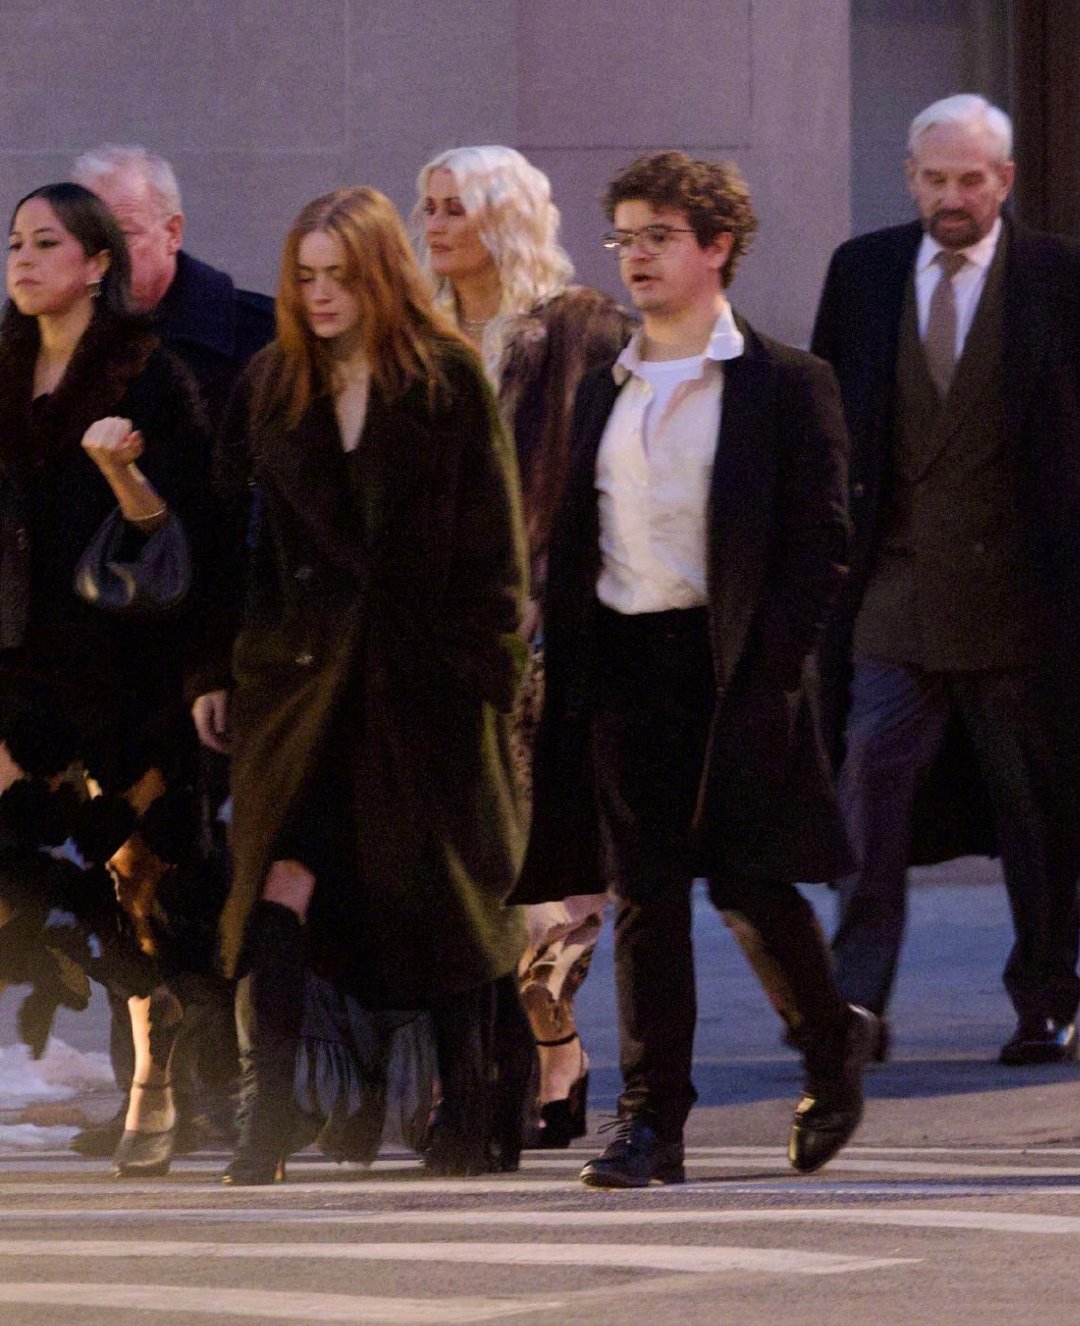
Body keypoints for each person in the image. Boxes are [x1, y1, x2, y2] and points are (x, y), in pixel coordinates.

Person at [518, 150, 876, 1189]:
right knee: (645, 893)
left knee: (752, 884)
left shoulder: (787, 382)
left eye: (659, 237)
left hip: (734, 668)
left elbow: (821, 544)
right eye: (625, 237)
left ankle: (831, 1045)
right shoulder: (606, 385)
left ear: (717, 246)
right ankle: (651, 1121)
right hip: (623, 664)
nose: (635, 256)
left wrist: (776, 673)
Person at [193, 186, 531, 1184]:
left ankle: (470, 1105)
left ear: (381, 275)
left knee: (440, 894)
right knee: (276, 890)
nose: (321, 295)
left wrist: (483, 670)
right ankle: (268, 1119)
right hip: (299, 687)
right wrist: (218, 670)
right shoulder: (272, 383)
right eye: (305, 276)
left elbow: (495, 543)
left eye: (341, 275)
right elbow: (230, 546)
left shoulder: (444, 379)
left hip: (422, 678)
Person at [811, 94, 1080, 1066]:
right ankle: (853, 1003)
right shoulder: (864, 271)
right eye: (935, 178)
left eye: (971, 179)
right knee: (867, 799)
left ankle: (1045, 998)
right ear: (911, 177)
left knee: (1036, 814)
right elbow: (828, 423)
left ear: (1003, 180)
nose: (951, 197)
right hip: (894, 597)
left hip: (1019, 606)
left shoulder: (1058, 278)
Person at [413, 144, 634, 1147]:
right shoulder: (418, 336)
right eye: (428, 207)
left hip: (551, 633)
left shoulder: (581, 330)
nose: (435, 225)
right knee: (465, 863)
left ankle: (549, 1051)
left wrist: (556, 594)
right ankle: (502, 1063)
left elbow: (609, 481)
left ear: (504, 217)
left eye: (455, 207)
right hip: (442, 637)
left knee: (551, 867)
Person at [0, 182, 213, 1176]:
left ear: (96, 265)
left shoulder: (150, 376)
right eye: (15, 243)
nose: (23, 259)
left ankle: (153, 1071)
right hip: (15, 661)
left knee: (135, 881)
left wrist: (124, 470)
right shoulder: (1, 373)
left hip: (121, 667)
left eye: (46, 243)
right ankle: (134, 994)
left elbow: (183, 536)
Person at [70, 144, 275, 1157]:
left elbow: (249, 518)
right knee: (128, 870)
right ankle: (147, 1086)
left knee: (208, 867)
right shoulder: (63, 346)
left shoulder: (250, 336)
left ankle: (223, 1083)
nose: (102, 257)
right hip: (101, 650)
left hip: (214, 647)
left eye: (121, 233)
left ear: (173, 231)